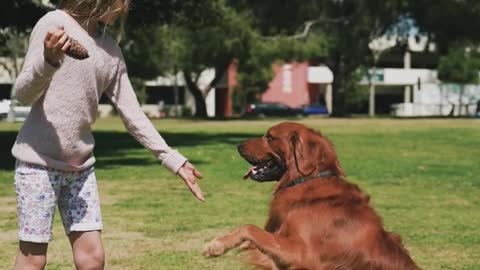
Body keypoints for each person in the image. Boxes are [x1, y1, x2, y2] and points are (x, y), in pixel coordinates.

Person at [11, 0, 205, 269]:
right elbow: (22, 94)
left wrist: (172, 158)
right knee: (34, 259)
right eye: (122, 2)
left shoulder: (110, 50)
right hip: (37, 164)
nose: (126, 8)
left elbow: (132, 114)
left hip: (80, 169)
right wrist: (49, 60)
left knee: (92, 259)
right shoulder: (53, 23)